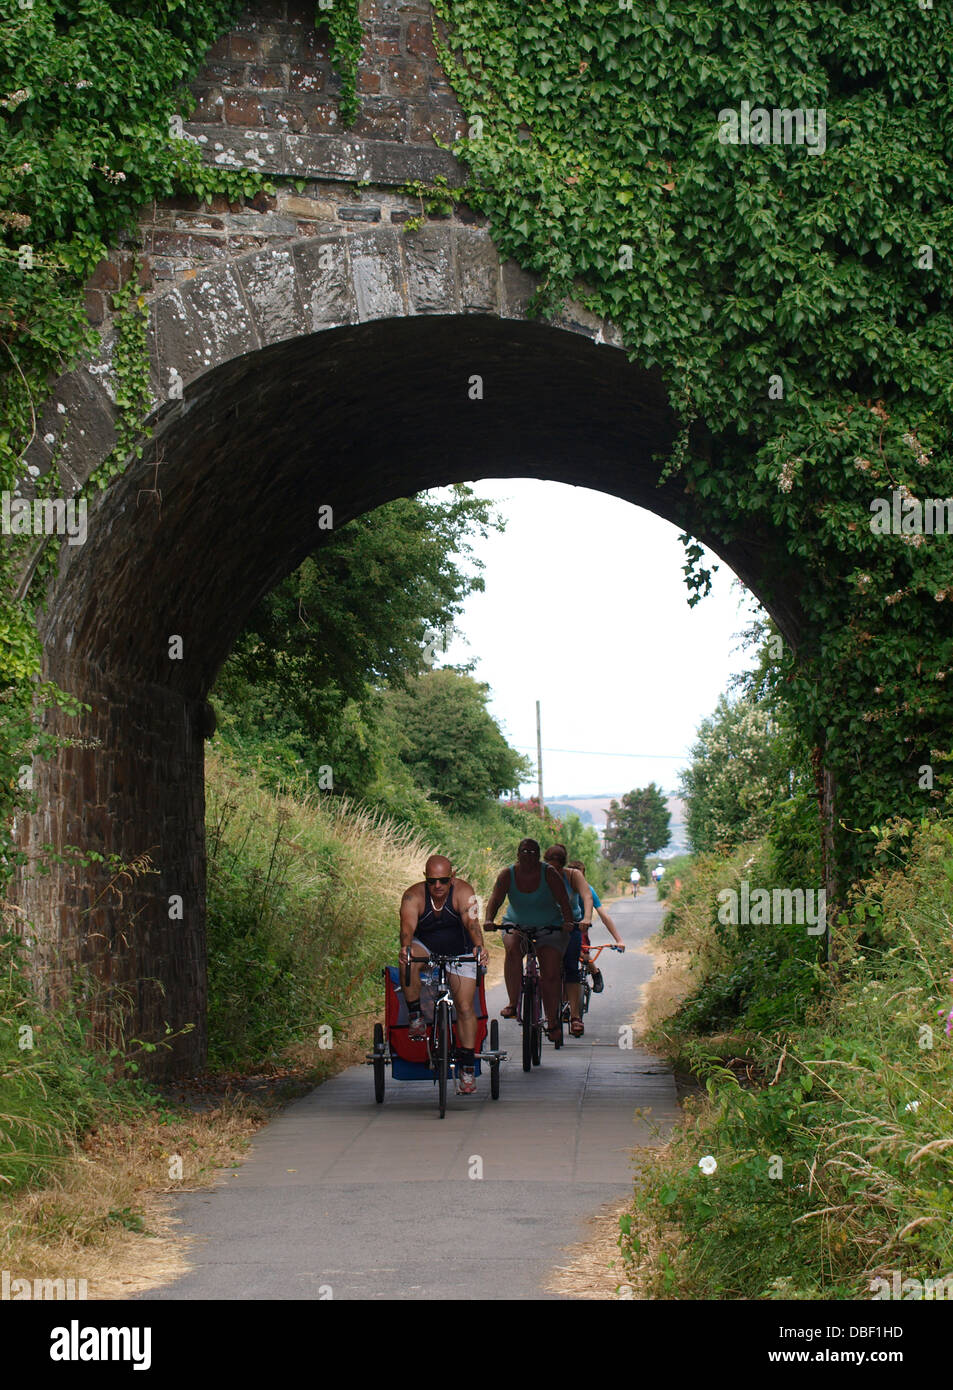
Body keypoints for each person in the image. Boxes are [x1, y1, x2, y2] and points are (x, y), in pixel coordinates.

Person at [399, 855, 488, 1095]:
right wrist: (405, 948)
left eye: (443, 880)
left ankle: (467, 1067)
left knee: (465, 1007)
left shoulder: (463, 891)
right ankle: (416, 1016)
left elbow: (472, 923)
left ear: (453, 877)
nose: (438, 886)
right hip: (426, 947)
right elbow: (407, 928)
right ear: (425, 879)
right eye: (432, 881)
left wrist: (478, 945)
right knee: (407, 962)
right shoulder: (413, 896)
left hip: (459, 950)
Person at [483, 838, 574, 1043]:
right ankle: (513, 1003)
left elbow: (563, 900)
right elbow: (495, 899)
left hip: (549, 925)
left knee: (550, 973)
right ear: (518, 854)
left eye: (533, 852)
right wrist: (489, 919)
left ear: (539, 855)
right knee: (513, 949)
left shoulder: (548, 873)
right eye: (525, 851)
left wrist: (568, 922)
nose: (528, 855)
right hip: (517, 924)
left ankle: (552, 1023)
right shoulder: (508, 874)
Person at [542, 844, 592, 1037]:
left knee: (571, 967)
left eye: (558, 865)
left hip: (571, 926)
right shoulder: (539, 876)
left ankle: (575, 1017)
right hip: (545, 927)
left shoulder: (573, 876)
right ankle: (545, 1013)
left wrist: (586, 918)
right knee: (545, 972)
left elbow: (586, 896)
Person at [567, 859, 625, 993]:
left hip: (580, 927)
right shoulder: (561, 887)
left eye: (578, 876)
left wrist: (618, 939)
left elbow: (604, 916)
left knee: (582, 954)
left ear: (583, 876)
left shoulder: (589, 891)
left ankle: (595, 972)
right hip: (562, 926)